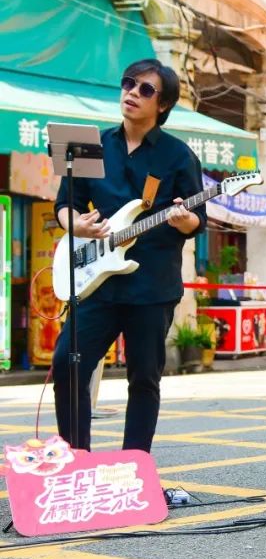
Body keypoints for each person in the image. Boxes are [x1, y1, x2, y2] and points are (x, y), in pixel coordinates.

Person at [53, 58, 206, 453]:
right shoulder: (90, 145)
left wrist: (183, 219)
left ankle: (134, 465)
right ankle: (77, 461)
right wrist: (78, 226)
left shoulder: (178, 155)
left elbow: (198, 221)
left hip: (151, 286)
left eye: (146, 89)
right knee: (67, 365)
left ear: (163, 104)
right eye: (128, 84)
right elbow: (65, 204)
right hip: (95, 282)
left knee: (143, 380)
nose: (132, 93)